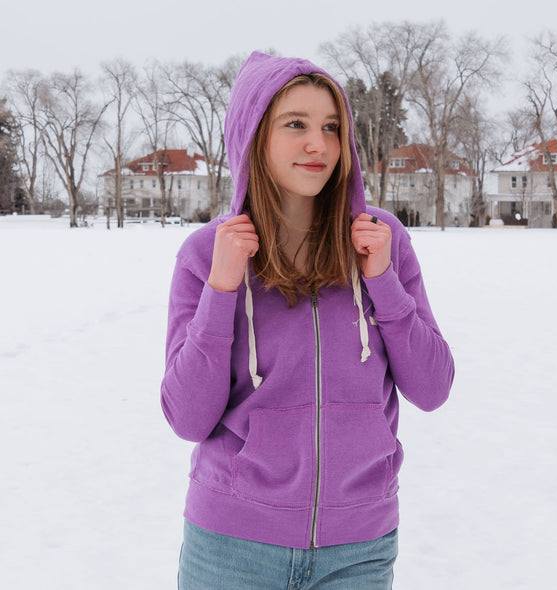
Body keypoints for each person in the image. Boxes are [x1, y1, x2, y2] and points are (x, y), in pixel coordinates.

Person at [161, 51, 454, 589]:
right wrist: (223, 287)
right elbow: (186, 417)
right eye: (295, 125)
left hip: (358, 549)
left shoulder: (380, 240)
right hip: (231, 547)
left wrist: (383, 281)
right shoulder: (208, 253)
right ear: (253, 136)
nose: (318, 144)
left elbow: (432, 387)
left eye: (331, 127)